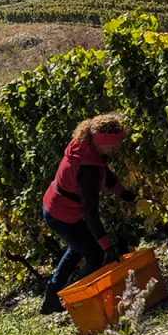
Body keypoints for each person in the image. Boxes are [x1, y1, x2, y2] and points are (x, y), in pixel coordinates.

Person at [41, 113, 135, 314]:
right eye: (114, 144)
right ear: (103, 141)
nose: (116, 148)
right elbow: (90, 212)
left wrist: (125, 194)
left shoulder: (86, 148)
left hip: (56, 206)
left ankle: (52, 296)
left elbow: (105, 173)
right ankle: (80, 302)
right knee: (94, 254)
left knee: (77, 248)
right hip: (61, 215)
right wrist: (106, 245)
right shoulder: (87, 169)